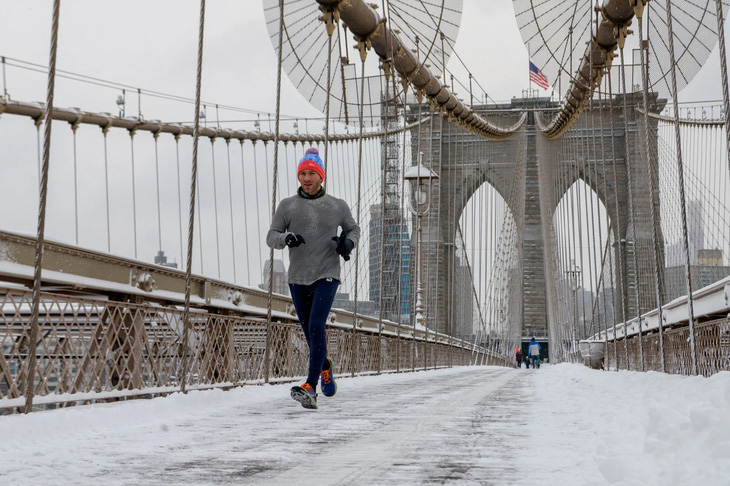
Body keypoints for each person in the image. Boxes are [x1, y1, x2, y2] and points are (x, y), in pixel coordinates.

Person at [266, 147, 360, 409]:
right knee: (309, 330)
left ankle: (310, 386)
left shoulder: (337, 205)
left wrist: (347, 244)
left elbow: (353, 228)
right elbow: (271, 236)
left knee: (317, 324)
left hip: (327, 275)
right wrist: (286, 238)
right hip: (298, 277)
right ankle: (325, 364)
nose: (306, 178)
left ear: (321, 176)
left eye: (312, 173)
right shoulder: (287, 206)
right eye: (302, 173)